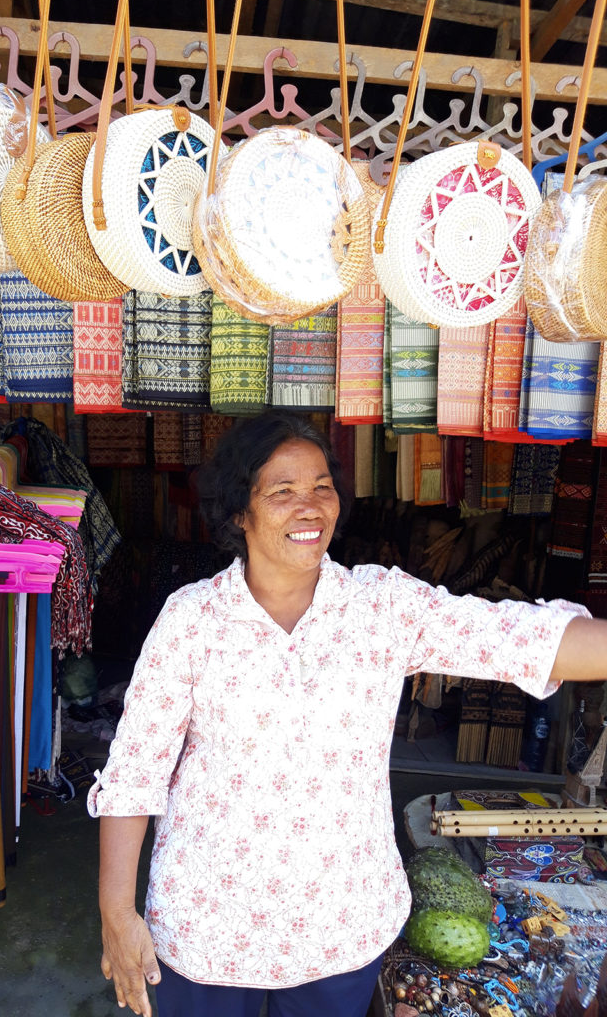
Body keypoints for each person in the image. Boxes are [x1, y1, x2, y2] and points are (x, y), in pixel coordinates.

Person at [90, 409, 607, 1017]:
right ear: (239, 511)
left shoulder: (380, 606)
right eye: (282, 492)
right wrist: (117, 915)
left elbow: (513, 636)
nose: (308, 507)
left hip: (339, 924)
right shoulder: (191, 621)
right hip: (207, 928)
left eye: (322, 488)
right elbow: (134, 775)